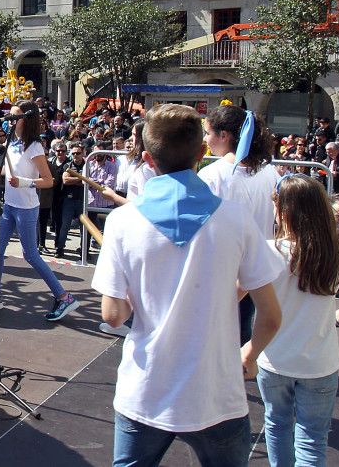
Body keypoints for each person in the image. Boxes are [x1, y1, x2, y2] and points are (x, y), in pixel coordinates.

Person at [92, 104, 284, 467]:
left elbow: (114, 316)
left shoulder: (122, 222)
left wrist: (134, 292)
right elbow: (271, 315)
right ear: (201, 153)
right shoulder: (236, 219)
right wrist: (250, 354)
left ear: (147, 159)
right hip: (216, 394)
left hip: (145, 392)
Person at [258, 174, 339, 467]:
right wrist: (336, 318)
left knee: (277, 425)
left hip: (274, 360)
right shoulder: (337, 254)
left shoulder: (267, 252)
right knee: (312, 439)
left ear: (283, 211)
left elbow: (230, 298)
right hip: (320, 364)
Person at [0, 101, 79, 322]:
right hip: (10, 206)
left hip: (27, 209)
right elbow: (11, 171)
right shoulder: (13, 143)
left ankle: (64, 296)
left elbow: (48, 181)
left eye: (15, 116)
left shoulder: (35, 147)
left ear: (26, 119)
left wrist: (23, 182)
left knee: (30, 255)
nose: (10, 119)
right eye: (9, 115)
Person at [199, 105, 281, 345]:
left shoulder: (212, 175)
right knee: (245, 328)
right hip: (259, 267)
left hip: (224, 269)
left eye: (208, 132)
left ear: (224, 135)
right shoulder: (270, 172)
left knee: (221, 335)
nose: (206, 139)